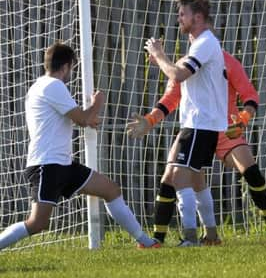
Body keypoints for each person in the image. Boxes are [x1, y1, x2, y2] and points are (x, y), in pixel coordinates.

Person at [0, 42, 159, 251]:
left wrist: (87, 117)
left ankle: (145, 241)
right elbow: (82, 119)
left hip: (62, 164)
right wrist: (98, 102)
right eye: (71, 68)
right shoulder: (53, 86)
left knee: (110, 189)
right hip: (46, 165)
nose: (71, 73)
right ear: (65, 66)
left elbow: (72, 118)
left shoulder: (39, 86)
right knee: (37, 223)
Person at [127, 50, 266, 241]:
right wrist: (150, 120)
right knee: (170, 177)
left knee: (250, 169)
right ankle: (159, 239)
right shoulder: (183, 66)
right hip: (197, 129)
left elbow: (250, 95)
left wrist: (243, 119)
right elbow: (170, 99)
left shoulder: (227, 62)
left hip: (225, 130)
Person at [142, 0, 228, 246]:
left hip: (201, 123)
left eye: (183, 15)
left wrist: (159, 55)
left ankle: (189, 238)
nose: (178, 19)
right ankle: (211, 235)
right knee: (192, 179)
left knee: (179, 178)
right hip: (197, 123)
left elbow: (178, 75)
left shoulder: (205, 43)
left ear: (198, 17)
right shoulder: (201, 43)